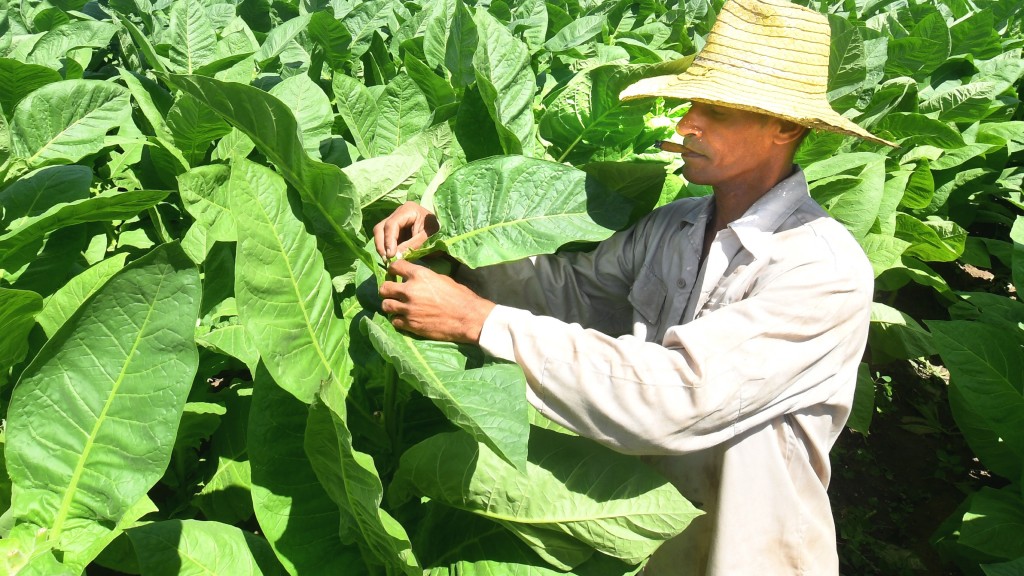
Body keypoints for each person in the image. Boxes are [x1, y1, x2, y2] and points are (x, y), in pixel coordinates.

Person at [374, 0, 896, 573]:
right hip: (643, 529)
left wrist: (481, 321)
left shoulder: (822, 271)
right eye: (693, 103)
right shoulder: (677, 225)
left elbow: (680, 397)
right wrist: (451, 242)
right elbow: (571, 291)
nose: (686, 124)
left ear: (786, 126)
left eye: (716, 111)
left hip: (747, 547)